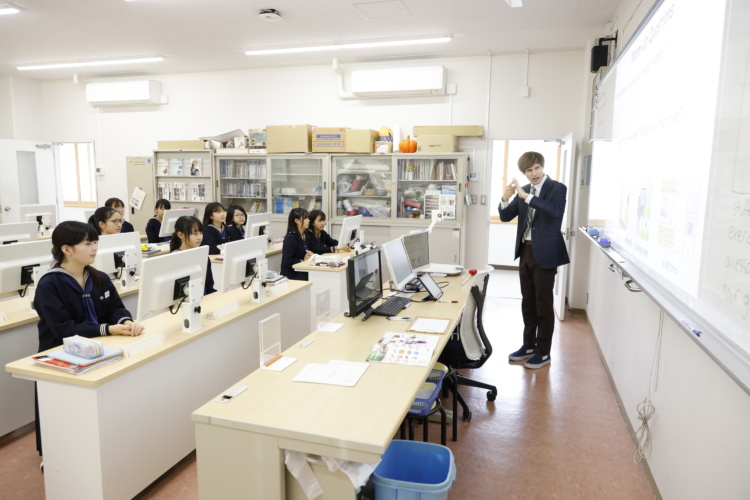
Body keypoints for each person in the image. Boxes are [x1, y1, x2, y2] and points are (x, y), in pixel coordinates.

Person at [34, 220, 145, 456]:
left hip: (99, 350)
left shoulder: (99, 277)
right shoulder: (49, 285)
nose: (94, 248)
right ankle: (53, 453)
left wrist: (124, 321)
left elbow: (116, 307)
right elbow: (64, 329)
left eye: (95, 242)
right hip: (60, 356)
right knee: (61, 414)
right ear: (66, 249)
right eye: (87, 243)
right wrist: (107, 329)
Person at [499, 151, 570, 369]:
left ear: (542, 167)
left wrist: (527, 197)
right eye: (528, 171)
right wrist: (504, 198)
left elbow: (555, 212)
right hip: (526, 252)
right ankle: (528, 346)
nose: (533, 173)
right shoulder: (524, 191)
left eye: (536, 168)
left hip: (546, 253)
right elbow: (505, 216)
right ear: (524, 173)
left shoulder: (557, 188)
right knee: (528, 302)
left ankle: (543, 352)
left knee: (544, 305)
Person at [170, 215, 215, 295]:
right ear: (180, 235)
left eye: (201, 233)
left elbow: (209, 286)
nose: (199, 238)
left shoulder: (203, 256)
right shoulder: (175, 258)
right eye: (195, 234)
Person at [280, 208, 313, 281]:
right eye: (305, 218)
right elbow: (287, 261)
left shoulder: (304, 235)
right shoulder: (291, 238)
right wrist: (302, 260)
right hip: (292, 275)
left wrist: (311, 255)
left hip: (302, 271)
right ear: (297, 221)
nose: (308, 220)